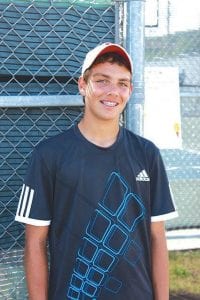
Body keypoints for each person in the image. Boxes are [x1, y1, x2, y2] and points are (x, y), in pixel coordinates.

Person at [15, 42, 178, 300]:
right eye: (102, 80)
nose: (113, 91)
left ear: (130, 90)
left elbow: (157, 237)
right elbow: (35, 243)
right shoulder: (49, 155)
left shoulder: (147, 154)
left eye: (122, 83)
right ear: (83, 85)